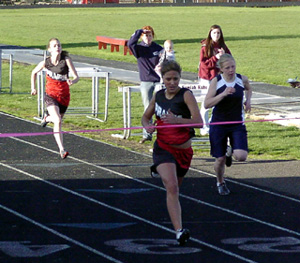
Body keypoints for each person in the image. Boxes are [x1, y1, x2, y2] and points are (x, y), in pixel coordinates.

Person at [142, 60, 203, 245]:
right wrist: (148, 127)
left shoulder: (186, 95)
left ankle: (160, 171)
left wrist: (178, 120)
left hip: (183, 153)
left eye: (176, 79)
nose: (172, 82)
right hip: (163, 149)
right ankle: (179, 231)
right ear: (163, 79)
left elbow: (199, 122)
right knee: (172, 187)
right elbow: (146, 116)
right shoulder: (158, 96)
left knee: (176, 188)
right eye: (168, 79)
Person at [204, 54, 252, 195]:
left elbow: (249, 88)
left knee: (241, 156)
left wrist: (248, 101)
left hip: (236, 123)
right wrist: (223, 94)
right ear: (221, 69)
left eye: (233, 67)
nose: (231, 70)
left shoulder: (241, 79)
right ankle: (220, 182)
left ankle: (229, 151)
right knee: (220, 159)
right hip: (219, 123)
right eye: (227, 68)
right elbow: (207, 104)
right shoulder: (216, 81)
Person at [31, 38, 79, 159]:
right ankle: (62, 149)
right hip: (51, 95)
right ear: (50, 49)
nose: (57, 47)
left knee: (57, 121)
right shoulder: (45, 63)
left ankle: (47, 117)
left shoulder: (66, 60)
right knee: (57, 120)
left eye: (59, 45)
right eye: (54, 46)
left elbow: (77, 76)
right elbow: (34, 73)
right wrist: (33, 88)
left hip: (64, 96)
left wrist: (72, 81)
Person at [128, 26, 163, 144]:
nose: (148, 38)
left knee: (162, 107)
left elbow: (166, 59)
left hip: (159, 80)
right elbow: (130, 43)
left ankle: (163, 134)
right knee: (148, 107)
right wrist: (139, 32)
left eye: (150, 35)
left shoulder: (158, 48)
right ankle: (147, 134)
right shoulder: (138, 49)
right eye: (146, 36)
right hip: (146, 81)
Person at [198, 25, 231, 136]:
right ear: (210, 34)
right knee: (206, 103)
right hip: (206, 78)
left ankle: (214, 124)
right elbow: (204, 64)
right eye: (214, 33)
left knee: (218, 102)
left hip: (218, 78)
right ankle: (203, 127)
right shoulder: (205, 47)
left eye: (218, 33)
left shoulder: (223, 46)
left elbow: (230, 59)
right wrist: (216, 58)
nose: (216, 35)